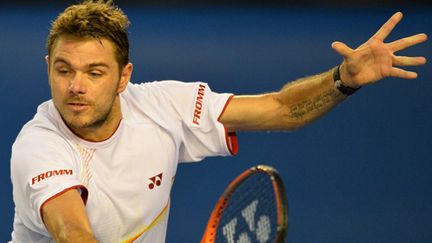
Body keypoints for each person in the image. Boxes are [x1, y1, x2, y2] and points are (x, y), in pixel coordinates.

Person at [9, 0, 427, 242]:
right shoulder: (39, 146)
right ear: (48, 67)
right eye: (63, 70)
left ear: (124, 77)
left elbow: (280, 109)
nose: (75, 86)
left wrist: (342, 79)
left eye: (94, 72)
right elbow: (73, 235)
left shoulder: (163, 105)